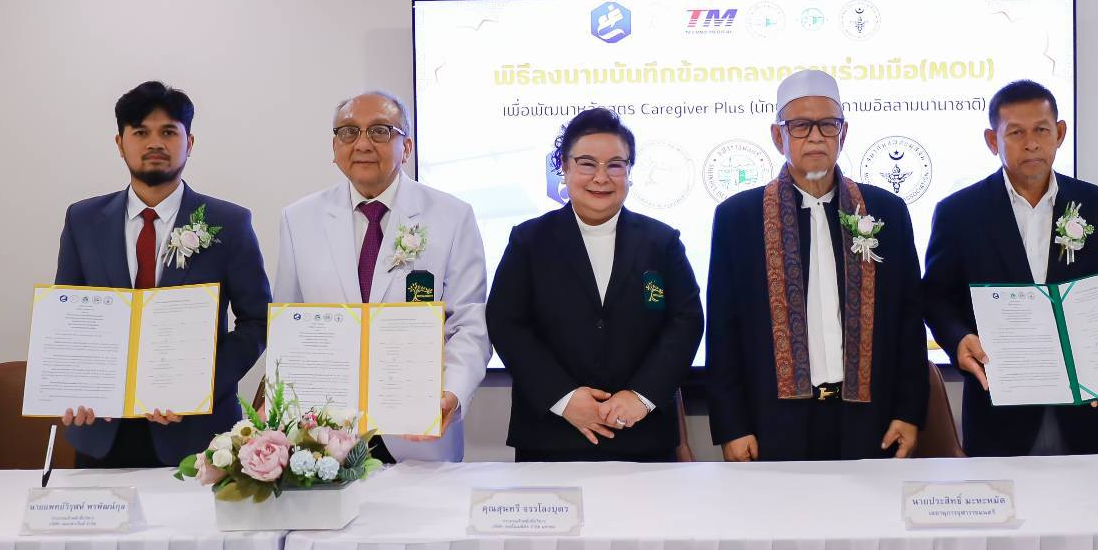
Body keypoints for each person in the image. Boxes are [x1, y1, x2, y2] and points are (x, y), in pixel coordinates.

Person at [706, 69, 927, 461]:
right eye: (800, 126)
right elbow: (724, 330)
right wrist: (733, 426)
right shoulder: (738, 217)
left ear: (843, 133)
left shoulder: (885, 211)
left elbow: (909, 320)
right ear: (778, 137)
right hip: (773, 419)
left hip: (869, 418)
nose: (815, 137)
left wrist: (909, 412)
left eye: (828, 125)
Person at [56, 81, 270, 467]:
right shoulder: (83, 220)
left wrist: (198, 389)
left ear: (190, 142)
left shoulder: (230, 223)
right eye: (141, 132)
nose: (155, 142)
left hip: (197, 431)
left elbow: (258, 321)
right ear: (120, 143)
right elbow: (70, 318)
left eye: (169, 132)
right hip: (102, 429)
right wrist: (76, 387)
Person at [273, 90, 490, 462]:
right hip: (323, 433)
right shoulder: (299, 219)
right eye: (348, 132)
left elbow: (469, 323)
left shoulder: (452, 216)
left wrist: (452, 393)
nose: (362, 144)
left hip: (418, 430)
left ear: (407, 148)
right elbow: (288, 324)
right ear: (335, 147)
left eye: (380, 131)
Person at [923, 79, 1098, 456]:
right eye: (1016, 132)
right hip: (998, 411)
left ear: (1060, 133)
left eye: (1041, 130)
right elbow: (936, 297)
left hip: (1083, 411)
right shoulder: (959, 213)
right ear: (992, 140)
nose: (1031, 143)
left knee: (1085, 495)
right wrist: (958, 338)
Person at [486, 108, 703, 461]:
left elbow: (686, 321)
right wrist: (564, 399)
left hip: (642, 434)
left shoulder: (661, 242)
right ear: (564, 167)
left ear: (629, 171)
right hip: (552, 436)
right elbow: (506, 323)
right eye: (587, 164)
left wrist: (641, 396)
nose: (601, 177)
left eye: (615, 165)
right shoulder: (529, 241)